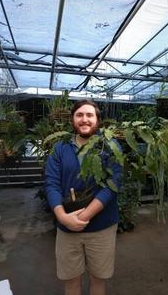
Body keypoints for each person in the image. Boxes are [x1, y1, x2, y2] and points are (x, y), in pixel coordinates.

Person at [45, 99, 122, 295]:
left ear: (97, 120)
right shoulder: (60, 148)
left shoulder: (109, 146)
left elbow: (111, 187)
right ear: (72, 119)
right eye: (79, 115)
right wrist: (63, 217)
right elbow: (52, 184)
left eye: (89, 115)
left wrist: (82, 218)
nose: (84, 119)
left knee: (98, 280)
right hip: (66, 229)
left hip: (101, 227)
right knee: (71, 281)